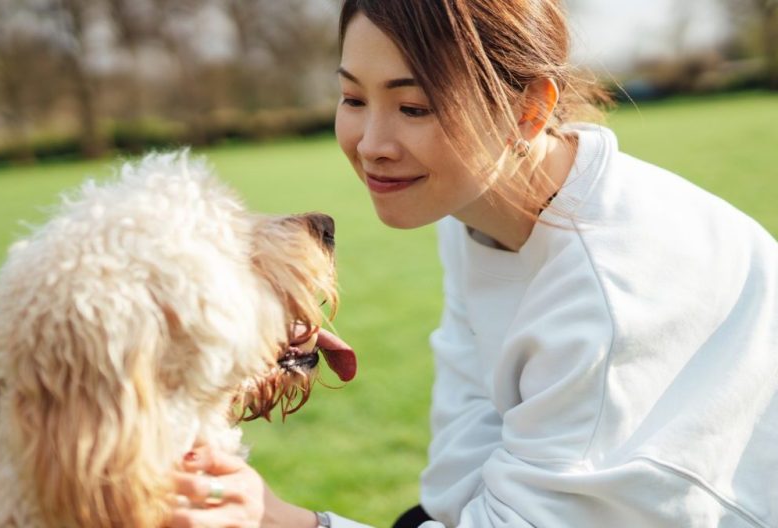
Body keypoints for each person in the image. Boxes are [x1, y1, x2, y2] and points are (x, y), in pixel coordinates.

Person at [169, 0, 778, 527]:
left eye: (415, 108)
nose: (372, 144)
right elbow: (466, 431)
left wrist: (294, 522)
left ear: (528, 111)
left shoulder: (609, 298)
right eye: (353, 97)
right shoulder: (484, 207)